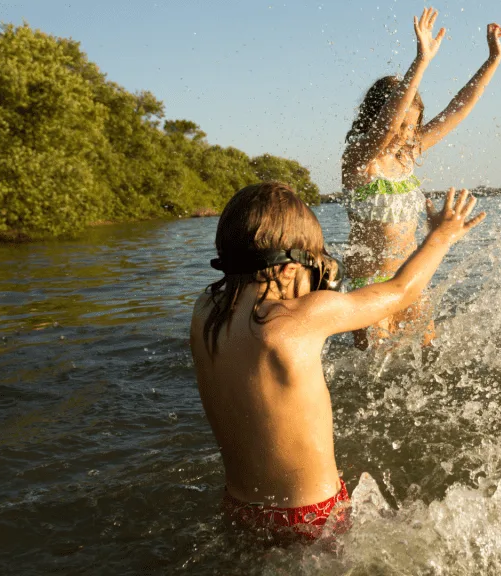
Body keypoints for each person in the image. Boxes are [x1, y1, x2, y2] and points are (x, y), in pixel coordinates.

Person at [189, 182, 485, 544]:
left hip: (240, 507)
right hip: (310, 516)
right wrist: (442, 236)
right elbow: (400, 291)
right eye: (311, 263)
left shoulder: (204, 311)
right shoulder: (298, 318)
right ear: (285, 269)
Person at [342, 7, 501, 349]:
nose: (405, 134)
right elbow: (387, 126)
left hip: (410, 277)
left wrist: (492, 61)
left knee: (428, 355)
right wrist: (421, 62)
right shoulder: (359, 159)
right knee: (376, 368)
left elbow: (457, 110)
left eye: (412, 125)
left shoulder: (407, 155)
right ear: (375, 119)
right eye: (401, 124)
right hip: (368, 283)